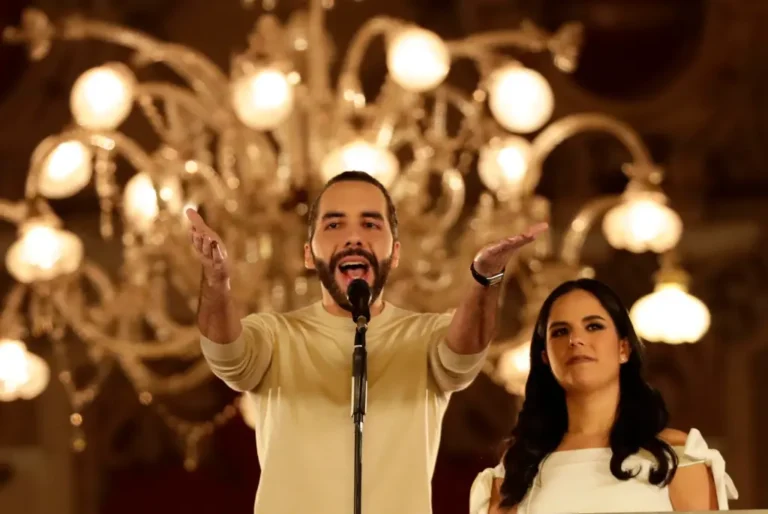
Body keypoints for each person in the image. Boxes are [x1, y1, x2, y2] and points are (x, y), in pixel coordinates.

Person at [187, 170, 547, 514]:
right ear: (309, 254)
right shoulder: (275, 335)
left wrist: (486, 279)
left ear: (396, 252)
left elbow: (462, 357)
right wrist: (217, 282)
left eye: (371, 224)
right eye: (334, 224)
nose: (354, 237)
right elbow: (226, 356)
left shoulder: (425, 336)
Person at [470, 278, 738, 513]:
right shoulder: (520, 466)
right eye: (561, 332)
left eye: (593, 326)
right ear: (545, 357)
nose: (575, 340)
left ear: (624, 348)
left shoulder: (678, 454)